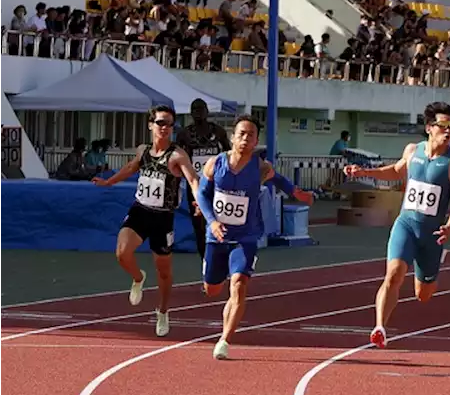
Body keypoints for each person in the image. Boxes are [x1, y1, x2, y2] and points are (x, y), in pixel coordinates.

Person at [343, 102, 450, 349]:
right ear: (429, 128)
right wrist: (363, 172)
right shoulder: (413, 151)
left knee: (423, 295)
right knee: (394, 274)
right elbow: (396, 171)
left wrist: (449, 228)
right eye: (443, 125)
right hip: (406, 225)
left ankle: (434, 261)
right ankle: (379, 327)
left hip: (432, 235)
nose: (448, 131)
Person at [194, 116, 313, 359]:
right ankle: (212, 273)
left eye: (251, 135)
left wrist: (296, 193)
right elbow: (203, 195)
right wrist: (212, 221)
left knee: (239, 285)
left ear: (256, 140)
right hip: (216, 236)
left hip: (246, 237)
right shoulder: (215, 164)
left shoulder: (260, 167)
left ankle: (224, 340)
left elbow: (278, 179)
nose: (246, 138)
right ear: (233, 136)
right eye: (241, 133)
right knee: (213, 290)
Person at [93, 105, 202, 337]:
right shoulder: (143, 150)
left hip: (163, 217)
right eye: (161, 122)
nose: (165, 128)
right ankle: (138, 277)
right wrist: (108, 182)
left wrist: (200, 200)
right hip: (140, 210)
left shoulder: (177, 155)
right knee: (122, 252)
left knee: (163, 271)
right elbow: (131, 167)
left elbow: (192, 179)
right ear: (151, 125)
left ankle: (162, 311)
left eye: (170, 124)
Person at [175, 98, 230, 262]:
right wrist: (176, 187)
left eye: (201, 109)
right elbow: (177, 161)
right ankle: (206, 262)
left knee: (220, 222)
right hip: (196, 186)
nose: (198, 113)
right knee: (199, 227)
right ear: (191, 113)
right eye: (195, 110)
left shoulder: (218, 132)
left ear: (207, 111)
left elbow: (229, 155)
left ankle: (221, 258)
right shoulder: (184, 134)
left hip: (218, 185)